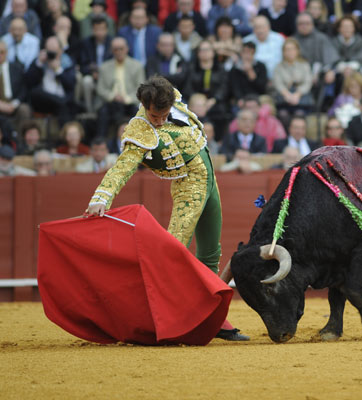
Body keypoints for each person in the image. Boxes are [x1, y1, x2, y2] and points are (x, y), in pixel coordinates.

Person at [84, 76, 248, 341]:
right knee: (174, 251)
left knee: (210, 251)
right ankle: (158, 318)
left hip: (209, 180)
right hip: (188, 188)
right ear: (144, 105)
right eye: (153, 115)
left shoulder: (172, 95)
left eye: (163, 114)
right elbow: (123, 166)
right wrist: (101, 197)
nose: (159, 120)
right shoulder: (140, 130)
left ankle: (212, 318)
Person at [95, 37, 146, 138]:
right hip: (110, 102)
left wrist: (127, 98)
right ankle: (101, 143)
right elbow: (100, 89)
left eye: (121, 48)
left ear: (127, 49)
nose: (118, 52)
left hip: (130, 102)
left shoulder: (137, 66)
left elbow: (141, 88)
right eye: (115, 49)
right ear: (111, 50)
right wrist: (112, 96)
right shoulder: (104, 67)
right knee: (103, 113)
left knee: (138, 113)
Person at [25, 35, 77, 128]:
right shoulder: (39, 61)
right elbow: (29, 82)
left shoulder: (68, 62)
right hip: (43, 101)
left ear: (61, 51)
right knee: (35, 92)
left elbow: (71, 85)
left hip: (62, 102)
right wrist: (39, 64)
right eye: (49, 51)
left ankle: (65, 136)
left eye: (54, 52)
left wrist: (58, 70)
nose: (51, 55)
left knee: (65, 106)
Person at [77, 16, 113, 114]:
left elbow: (114, 64)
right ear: (92, 30)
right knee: (86, 81)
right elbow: (82, 65)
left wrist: (102, 74)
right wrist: (92, 73)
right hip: (93, 77)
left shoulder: (112, 42)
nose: (99, 32)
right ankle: (90, 111)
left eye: (102, 29)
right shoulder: (86, 43)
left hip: (108, 78)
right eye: (96, 29)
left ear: (107, 30)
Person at [272, 37, 314, 120]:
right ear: (283, 52)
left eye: (292, 49)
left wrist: (297, 94)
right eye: (287, 50)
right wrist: (287, 94)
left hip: (301, 97)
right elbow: (278, 83)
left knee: (299, 114)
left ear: (297, 50)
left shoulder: (304, 65)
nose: (289, 52)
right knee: (283, 115)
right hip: (284, 99)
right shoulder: (278, 67)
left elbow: (307, 82)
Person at [0, 39, 31, 129]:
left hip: (14, 103)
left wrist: (14, 104)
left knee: (24, 109)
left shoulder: (16, 68)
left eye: (2, 52)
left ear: (6, 53)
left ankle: (22, 140)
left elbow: (23, 88)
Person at [228, 41, 268, 107]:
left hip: (258, 97)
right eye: (245, 52)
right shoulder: (235, 68)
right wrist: (239, 98)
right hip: (242, 98)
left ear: (254, 53)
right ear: (241, 53)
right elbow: (235, 87)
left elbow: (262, 88)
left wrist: (251, 73)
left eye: (250, 53)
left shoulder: (261, 66)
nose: (247, 55)